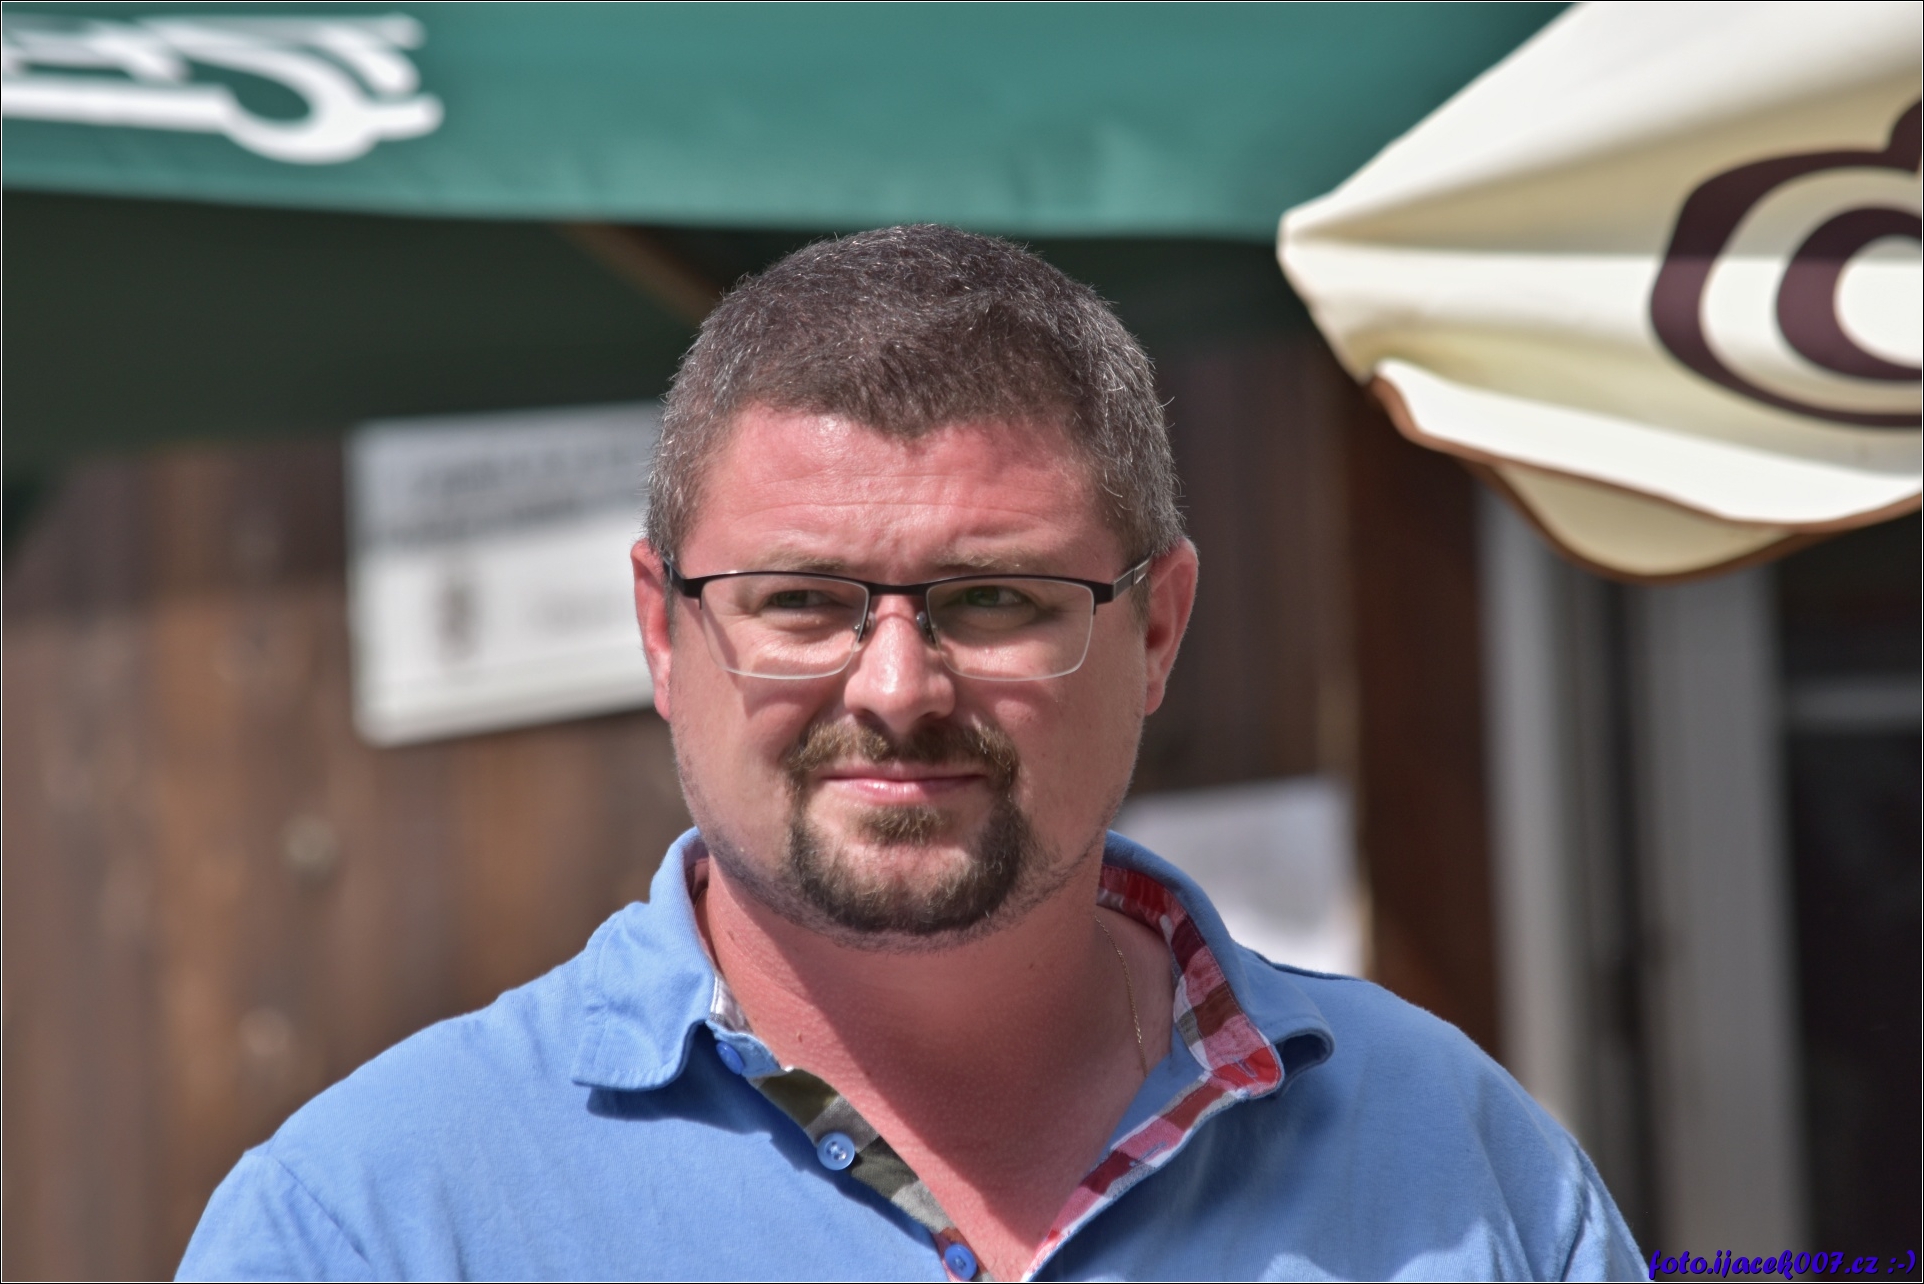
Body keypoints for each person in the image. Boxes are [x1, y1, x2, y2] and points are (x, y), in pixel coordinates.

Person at [179, 225, 1643, 1281]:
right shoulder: (371, 1223)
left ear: (1156, 630)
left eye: (995, 599)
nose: (895, 688)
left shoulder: (1455, 1157)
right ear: (661, 630)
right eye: (801, 601)